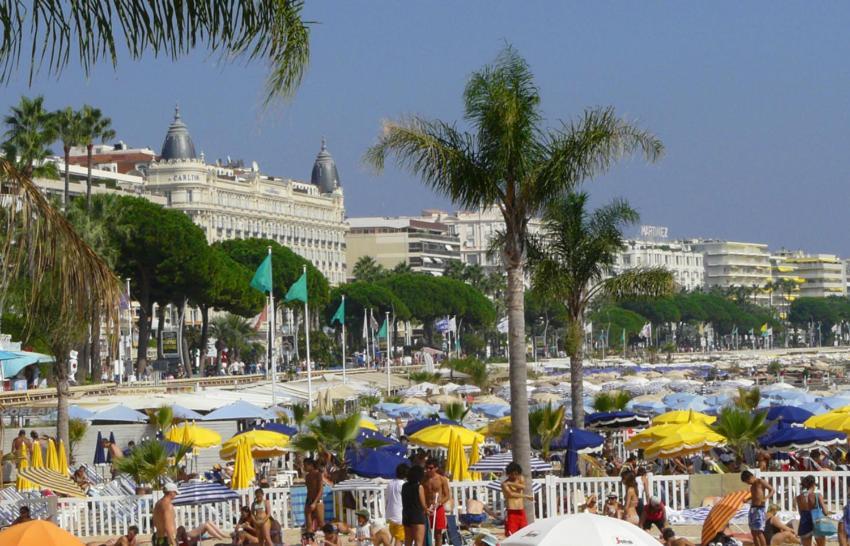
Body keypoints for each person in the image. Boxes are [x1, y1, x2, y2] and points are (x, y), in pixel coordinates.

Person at [742, 469, 775, 546]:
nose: (748, 483)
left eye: (747, 481)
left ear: (751, 477)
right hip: (753, 509)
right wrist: (747, 499)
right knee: (753, 532)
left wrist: (766, 498)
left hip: (759, 509)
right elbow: (755, 495)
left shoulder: (760, 481)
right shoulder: (752, 486)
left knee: (759, 532)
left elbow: (772, 490)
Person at [424, 459, 451, 546]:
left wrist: (439, 503)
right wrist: (424, 507)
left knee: (438, 534)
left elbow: (447, 495)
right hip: (427, 509)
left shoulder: (442, 479)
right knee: (425, 533)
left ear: (436, 468)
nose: (428, 470)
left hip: (438, 508)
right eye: (427, 467)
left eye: (430, 468)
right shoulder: (423, 479)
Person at [501, 462, 531, 536]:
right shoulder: (504, 484)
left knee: (524, 534)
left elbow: (523, 487)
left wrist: (510, 483)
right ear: (508, 474)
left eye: (516, 474)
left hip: (521, 511)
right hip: (512, 512)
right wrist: (526, 496)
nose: (514, 476)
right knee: (511, 535)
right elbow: (511, 494)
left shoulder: (520, 478)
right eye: (512, 474)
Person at [797, 475, 827, 546]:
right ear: (813, 484)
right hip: (816, 521)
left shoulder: (798, 498)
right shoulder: (817, 495)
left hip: (804, 522)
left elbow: (800, 513)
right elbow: (825, 512)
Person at [402, 465, 428, 546]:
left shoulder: (404, 486)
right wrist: (427, 510)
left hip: (406, 515)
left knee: (408, 541)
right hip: (417, 515)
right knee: (418, 542)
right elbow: (423, 504)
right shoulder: (419, 487)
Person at [386, 463, 408, 545]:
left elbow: (387, 499)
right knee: (399, 539)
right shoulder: (403, 485)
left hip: (390, 515)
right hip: (400, 516)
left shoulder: (390, 483)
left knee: (394, 538)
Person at [304, 458, 325, 532]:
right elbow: (309, 491)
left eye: (305, 465)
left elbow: (320, 490)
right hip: (309, 501)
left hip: (318, 501)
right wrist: (308, 503)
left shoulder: (318, 474)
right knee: (308, 525)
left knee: (321, 524)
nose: (304, 467)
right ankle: (310, 542)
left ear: (311, 465)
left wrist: (314, 502)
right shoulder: (307, 476)